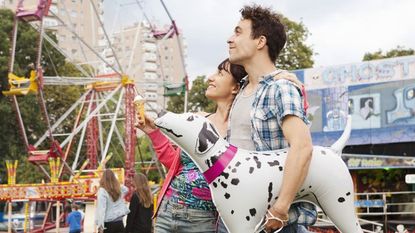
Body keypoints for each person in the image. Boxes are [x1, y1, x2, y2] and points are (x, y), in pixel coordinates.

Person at [135, 58, 303, 233]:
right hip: (168, 210)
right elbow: (176, 165)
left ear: (236, 87)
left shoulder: (243, 131)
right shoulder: (198, 119)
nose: (210, 78)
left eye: (220, 74)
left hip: (205, 219)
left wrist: (284, 79)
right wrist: (153, 133)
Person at [224, 4, 316, 233]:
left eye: (238, 32)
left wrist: (281, 208)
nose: (230, 39)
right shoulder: (241, 90)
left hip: (270, 220)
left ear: (260, 42)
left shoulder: (282, 87)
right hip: (236, 213)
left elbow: (303, 147)